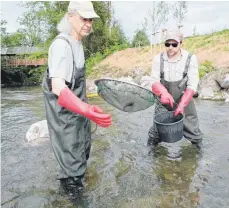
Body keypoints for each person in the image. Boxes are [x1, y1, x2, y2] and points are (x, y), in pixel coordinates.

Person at [42, 1, 112, 197]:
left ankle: (76, 188)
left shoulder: (78, 43)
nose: (88, 23)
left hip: (79, 114)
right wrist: (87, 110)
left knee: (82, 154)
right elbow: (58, 88)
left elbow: (77, 86)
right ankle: (73, 196)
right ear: (70, 16)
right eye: (84, 18)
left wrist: (88, 108)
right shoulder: (61, 46)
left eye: (91, 19)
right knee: (71, 168)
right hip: (64, 118)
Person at [147, 30, 204, 149]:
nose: (170, 47)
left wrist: (181, 105)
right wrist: (163, 93)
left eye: (174, 44)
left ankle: (198, 154)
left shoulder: (190, 58)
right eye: (167, 44)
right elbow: (154, 81)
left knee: (194, 132)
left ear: (181, 44)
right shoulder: (158, 58)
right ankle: (151, 156)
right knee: (155, 133)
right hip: (163, 101)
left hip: (184, 99)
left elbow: (192, 85)